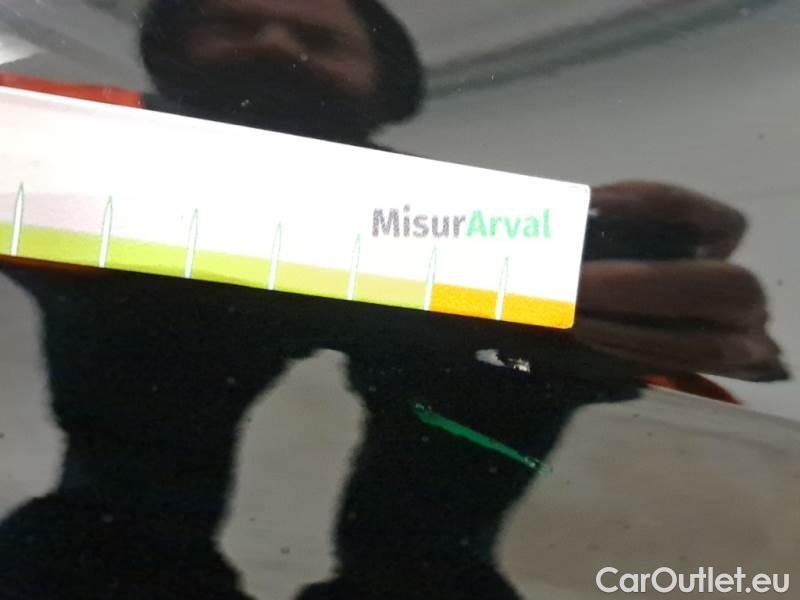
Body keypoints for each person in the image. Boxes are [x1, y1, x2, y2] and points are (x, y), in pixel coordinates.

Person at [0, 1, 786, 598]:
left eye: (319, 37)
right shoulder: (52, 148)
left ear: (387, 86)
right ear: (170, 55)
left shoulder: (489, 233)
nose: (272, 43)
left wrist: (657, 344)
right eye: (233, 23)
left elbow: (685, 395)